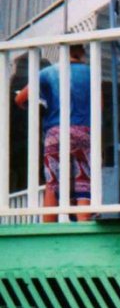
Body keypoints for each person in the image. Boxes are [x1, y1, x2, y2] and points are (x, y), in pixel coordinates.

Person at [15, 44, 92, 222]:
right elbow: (100, 104)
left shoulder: (47, 73)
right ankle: (83, 226)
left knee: (52, 184)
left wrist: (37, 105)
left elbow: (20, 99)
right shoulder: (90, 72)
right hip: (83, 132)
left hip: (55, 133)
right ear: (81, 53)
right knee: (83, 182)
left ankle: (49, 229)